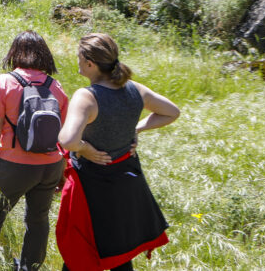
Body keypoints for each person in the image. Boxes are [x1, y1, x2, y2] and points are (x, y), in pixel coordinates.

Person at [55, 33, 180, 271]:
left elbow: (67, 140)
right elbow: (172, 112)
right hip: (125, 180)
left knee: (80, 250)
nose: (77, 61)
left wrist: (85, 148)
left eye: (79, 57)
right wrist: (137, 129)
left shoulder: (87, 96)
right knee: (120, 250)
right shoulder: (135, 89)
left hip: (91, 186)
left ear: (90, 64)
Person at [0, 31, 70, 269]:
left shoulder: (5, 82)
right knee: (38, 219)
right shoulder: (55, 86)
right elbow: (64, 135)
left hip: (15, 166)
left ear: (14, 52)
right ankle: (30, 267)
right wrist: (62, 170)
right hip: (50, 166)